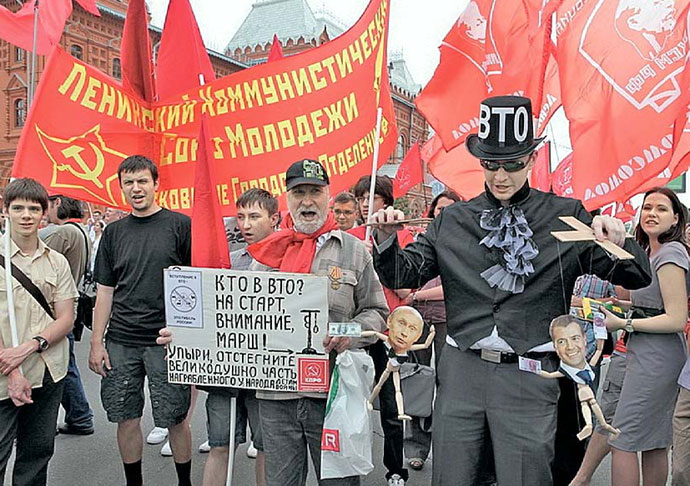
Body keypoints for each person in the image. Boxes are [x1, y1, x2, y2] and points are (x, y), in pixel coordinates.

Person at [369, 95, 652, 485]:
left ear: (532, 160)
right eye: (491, 164)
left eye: (513, 164)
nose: (501, 175)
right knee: (453, 475)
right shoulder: (452, 220)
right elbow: (405, 272)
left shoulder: (566, 215)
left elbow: (637, 276)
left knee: (525, 477)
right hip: (461, 371)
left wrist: (621, 238)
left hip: (530, 374)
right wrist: (384, 238)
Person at [246, 158, 389, 486]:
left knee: (338, 482)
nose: (307, 201)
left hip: (333, 393)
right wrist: (190, 338)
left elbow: (377, 313)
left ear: (328, 196)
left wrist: (346, 335)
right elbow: (240, 318)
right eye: (298, 193)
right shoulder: (266, 255)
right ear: (287, 198)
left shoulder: (354, 251)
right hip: (276, 397)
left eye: (315, 191)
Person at [88, 155, 193, 486]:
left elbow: (196, 284)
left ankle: (184, 482)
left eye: (142, 181)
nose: (136, 188)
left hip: (166, 342)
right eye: (129, 183)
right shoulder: (113, 233)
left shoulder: (180, 225)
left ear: (156, 184)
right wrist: (96, 342)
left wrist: (188, 335)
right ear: (121, 188)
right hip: (121, 342)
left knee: (175, 418)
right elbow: (104, 291)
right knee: (126, 417)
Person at [603, 187, 689, 486]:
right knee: (654, 443)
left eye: (661, 209)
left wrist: (625, 323)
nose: (651, 213)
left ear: (676, 219)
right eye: (647, 207)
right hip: (649, 353)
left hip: (658, 358)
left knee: (621, 440)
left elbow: (676, 317)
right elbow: (655, 306)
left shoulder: (671, 253)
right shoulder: (651, 252)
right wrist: (619, 307)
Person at [0, 178, 78, 485]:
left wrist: (30, 346)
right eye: (18, 208)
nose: (26, 215)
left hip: (48, 371)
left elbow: (65, 317)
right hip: (4, 373)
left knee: (37, 454)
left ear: (44, 213)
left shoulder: (56, 261)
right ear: (6, 211)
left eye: (34, 208)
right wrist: (13, 368)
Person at [201, 188, 278, 486]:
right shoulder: (226, 262)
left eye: (254, 217)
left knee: (266, 447)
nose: (245, 224)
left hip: (268, 373)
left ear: (274, 218)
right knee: (220, 444)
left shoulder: (289, 262)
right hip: (227, 369)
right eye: (241, 217)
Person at [350, 174, 412, 485]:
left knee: (391, 406)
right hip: (358, 331)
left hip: (390, 332)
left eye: (370, 197)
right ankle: (349, 465)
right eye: (360, 198)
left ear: (385, 200)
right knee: (351, 403)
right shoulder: (350, 236)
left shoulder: (403, 235)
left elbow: (407, 288)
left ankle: (396, 469)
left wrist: (376, 256)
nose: (364, 203)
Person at [403, 190, 461, 471]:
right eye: (439, 209)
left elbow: (453, 287)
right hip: (418, 322)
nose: (443, 214)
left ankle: (449, 451)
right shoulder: (420, 242)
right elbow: (405, 277)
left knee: (450, 387)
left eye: (450, 209)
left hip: (450, 323)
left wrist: (417, 297)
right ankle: (416, 447)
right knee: (418, 384)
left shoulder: (466, 245)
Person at [39, 194, 95, 436]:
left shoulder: (62, 233)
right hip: (66, 307)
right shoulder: (79, 231)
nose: (44, 213)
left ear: (58, 202)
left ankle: (76, 417)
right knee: (65, 365)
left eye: (46, 205)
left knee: (57, 369)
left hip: (54, 311)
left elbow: (31, 255)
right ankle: (79, 416)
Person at [537, 316, 620, 440]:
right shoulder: (568, 369)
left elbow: (599, 350)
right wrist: (533, 368)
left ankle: (609, 430)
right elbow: (550, 375)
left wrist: (600, 329)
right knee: (589, 411)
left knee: (598, 416)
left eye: (575, 338)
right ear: (555, 346)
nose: (570, 346)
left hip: (588, 393)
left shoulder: (585, 365)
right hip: (584, 393)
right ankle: (590, 427)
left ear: (585, 339)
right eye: (561, 342)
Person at [361, 306, 435, 420]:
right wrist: (352, 332)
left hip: (396, 370)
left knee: (397, 390)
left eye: (412, 329)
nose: (404, 333)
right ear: (389, 321)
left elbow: (425, 345)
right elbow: (374, 333)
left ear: (417, 336)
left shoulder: (408, 347)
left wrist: (432, 333)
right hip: (388, 368)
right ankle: (370, 401)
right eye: (401, 323)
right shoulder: (387, 340)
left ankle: (400, 413)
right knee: (380, 385)